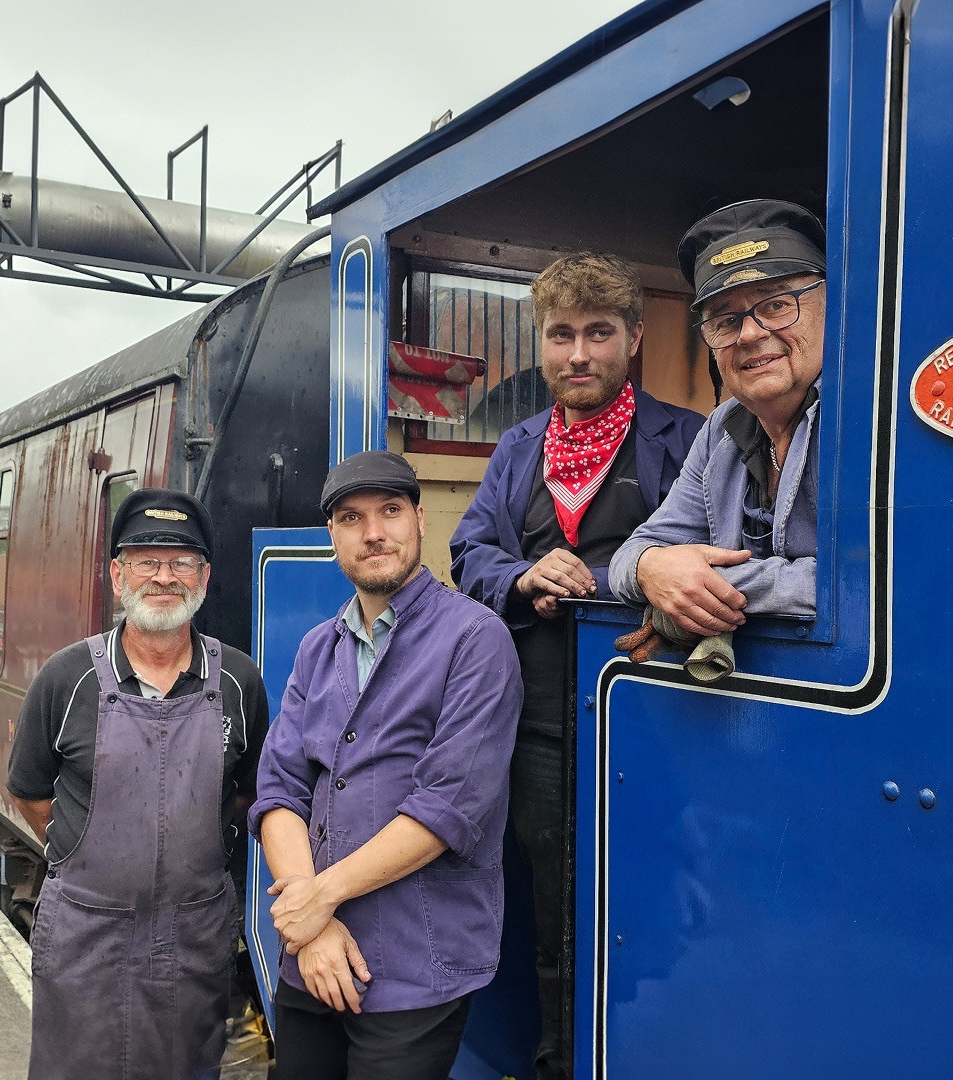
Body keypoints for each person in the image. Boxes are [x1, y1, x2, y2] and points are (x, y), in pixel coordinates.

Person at [446, 252, 704, 1080]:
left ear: (634, 338)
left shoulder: (689, 439)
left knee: (655, 897)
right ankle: (562, 1059)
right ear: (542, 343)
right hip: (539, 728)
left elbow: (718, 553)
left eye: (599, 333)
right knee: (556, 911)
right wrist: (522, 576)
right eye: (562, 335)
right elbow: (468, 553)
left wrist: (611, 580)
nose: (579, 354)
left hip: (657, 719)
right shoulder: (517, 448)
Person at [251, 451, 521, 1080]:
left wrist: (318, 899)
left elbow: (447, 808)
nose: (373, 533)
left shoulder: (476, 639)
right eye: (352, 518)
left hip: (416, 960)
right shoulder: (319, 647)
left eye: (390, 511)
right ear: (332, 536)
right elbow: (279, 789)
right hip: (313, 958)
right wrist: (312, 925)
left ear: (420, 520)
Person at [6, 489, 269, 1080]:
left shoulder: (238, 680)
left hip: (193, 939)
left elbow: (247, 793)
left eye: (181, 563)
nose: (164, 577)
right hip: (85, 939)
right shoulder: (66, 677)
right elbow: (29, 792)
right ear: (118, 575)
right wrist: (86, 855)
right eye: (146, 561)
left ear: (204, 577)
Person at [609, 200, 825, 640]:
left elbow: (873, 580)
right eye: (726, 321)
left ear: (831, 304)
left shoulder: (870, 421)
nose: (750, 333)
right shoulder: (722, 428)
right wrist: (649, 567)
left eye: (776, 304)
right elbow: (635, 554)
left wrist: (699, 584)